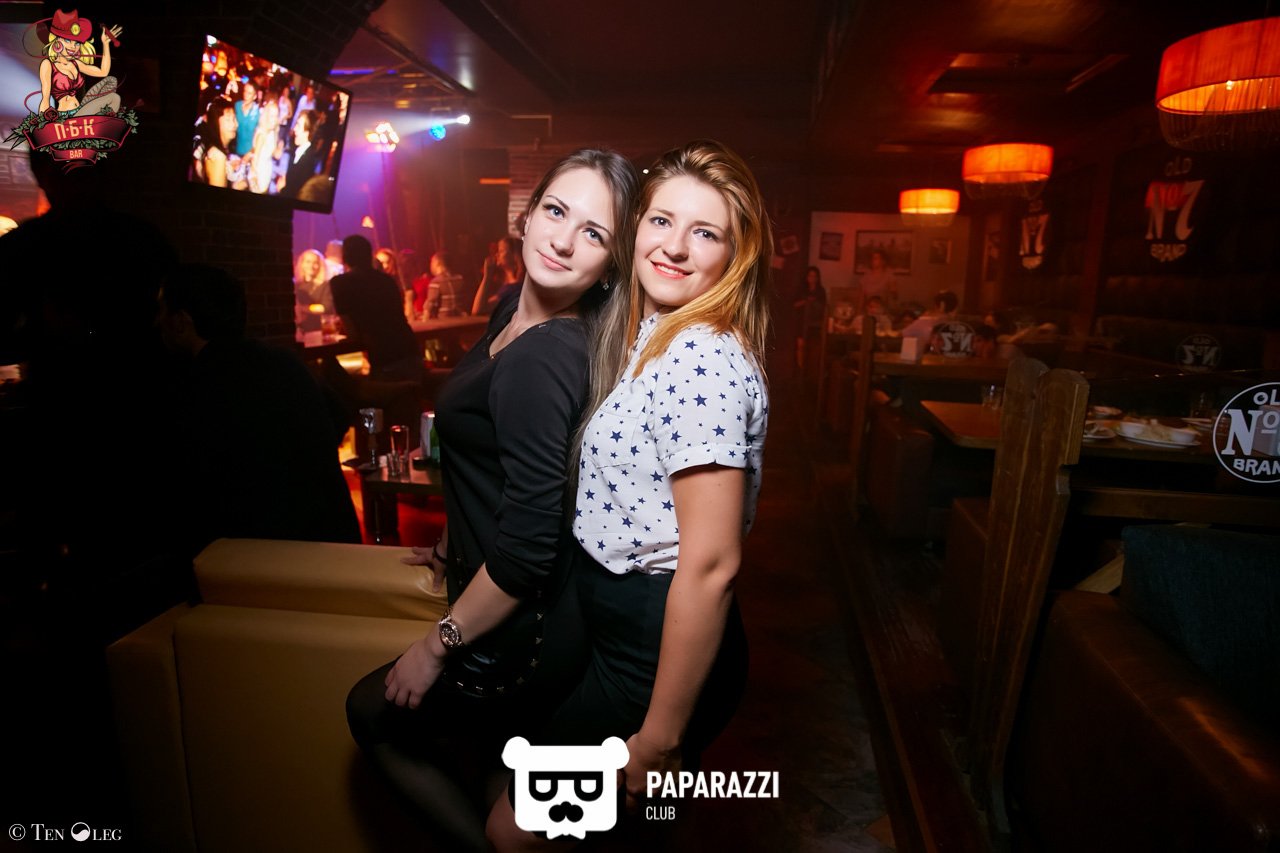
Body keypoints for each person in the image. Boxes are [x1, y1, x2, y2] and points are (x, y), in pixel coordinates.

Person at [344, 149, 639, 850]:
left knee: (370, 712)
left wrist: (435, 646)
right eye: (556, 211)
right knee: (495, 773)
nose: (563, 239)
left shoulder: (544, 354)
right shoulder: (513, 308)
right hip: (515, 609)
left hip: (519, 630)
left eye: (594, 233)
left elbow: (530, 549)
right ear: (527, 216)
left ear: (610, 264)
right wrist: (455, 537)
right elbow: (494, 458)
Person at [486, 139, 771, 849]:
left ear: (734, 255)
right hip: (629, 627)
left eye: (704, 233)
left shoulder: (701, 357)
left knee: (515, 828)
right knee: (630, 828)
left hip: (653, 644)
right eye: (661, 221)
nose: (674, 246)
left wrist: (661, 735)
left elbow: (712, 565)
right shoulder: (657, 330)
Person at [157, 263, 360, 551]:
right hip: (334, 538)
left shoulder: (192, 384)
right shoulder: (283, 360)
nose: (156, 322)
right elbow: (338, 415)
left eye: (161, 310)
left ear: (181, 321)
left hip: (263, 556)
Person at [329, 234, 422, 382]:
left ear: (345, 257)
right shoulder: (387, 280)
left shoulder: (340, 283)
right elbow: (397, 314)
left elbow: (352, 332)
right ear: (369, 255)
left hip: (384, 357)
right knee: (413, 391)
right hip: (409, 348)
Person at [35, 11, 122, 119]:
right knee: (113, 97)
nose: (73, 47)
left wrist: (105, 44)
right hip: (66, 117)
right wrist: (43, 123)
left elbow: (103, 72)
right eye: (68, 40)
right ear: (57, 40)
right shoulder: (48, 64)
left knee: (112, 86)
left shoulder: (76, 63)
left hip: (80, 111)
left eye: (77, 43)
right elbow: (45, 98)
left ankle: (101, 123)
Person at [193, 98, 247, 189]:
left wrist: (227, 167)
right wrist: (237, 187)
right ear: (216, 123)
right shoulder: (218, 156)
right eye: (229, 120)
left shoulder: (216, 148)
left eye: (234, 119)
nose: (236, 124)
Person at [470, 236, 524, 315]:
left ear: (515, 256)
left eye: (501, 251)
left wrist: (487, 277)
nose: (497, 254)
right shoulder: (513, 285)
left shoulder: (514, 288)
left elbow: (478, 310)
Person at [792, 265, 825, 370]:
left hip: (815, 323)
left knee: (813, 347)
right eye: (810, 276)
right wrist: (806, 302)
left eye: (814, 276)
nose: (812, 278)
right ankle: (800, 368)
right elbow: (794, 304)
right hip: (801, 321)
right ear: (807, 277)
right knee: (800, 346)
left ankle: (811, 369)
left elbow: (823, 307)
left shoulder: (821, 291)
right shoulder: (802, 290)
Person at [282, 109, 321, 197]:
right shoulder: (298, 151)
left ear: (307, 133)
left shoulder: (308, 162)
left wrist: (282, 189)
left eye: (298, 126)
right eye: (296, 124)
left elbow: (296, 193)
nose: (294, 129)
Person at [293, 248, 331, 335]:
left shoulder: (325, 285)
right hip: (299, 329)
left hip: (317, 329)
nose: (311, 266)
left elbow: (326, 307)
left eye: (315, 263)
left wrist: (302, 308)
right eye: (308, 262)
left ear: (320, 265)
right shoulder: (296, 285)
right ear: (302, 264)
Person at [416, 250, 464, 319]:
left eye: (432, 262)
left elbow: (430, 303)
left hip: (444, 320)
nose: (430, 265)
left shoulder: (436, 282)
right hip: (461, 319)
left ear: (437, 263)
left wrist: (425, 318)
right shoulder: (460, 279)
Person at [232, 79, 259, 157]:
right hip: (236, 149)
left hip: (250, 153)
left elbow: (258, 137)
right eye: (245, 91)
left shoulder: (257, 112)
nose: (245, 95)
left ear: (255, 96)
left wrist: (251, 153)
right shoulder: (237, 106)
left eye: (249, 93)